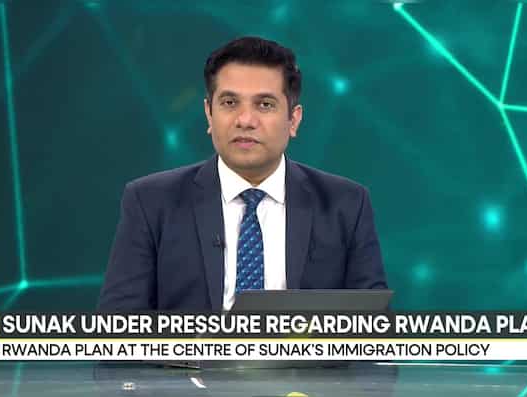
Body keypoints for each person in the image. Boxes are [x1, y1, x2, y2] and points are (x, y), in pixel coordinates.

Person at [98, 36, 387, 312]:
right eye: (229, 103)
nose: (245, 120)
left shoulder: (346, 204)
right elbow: (118, 325)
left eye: (265, 105)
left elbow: (374, 329)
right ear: (209, 114)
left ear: (293, 119)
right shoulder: (151, 202)